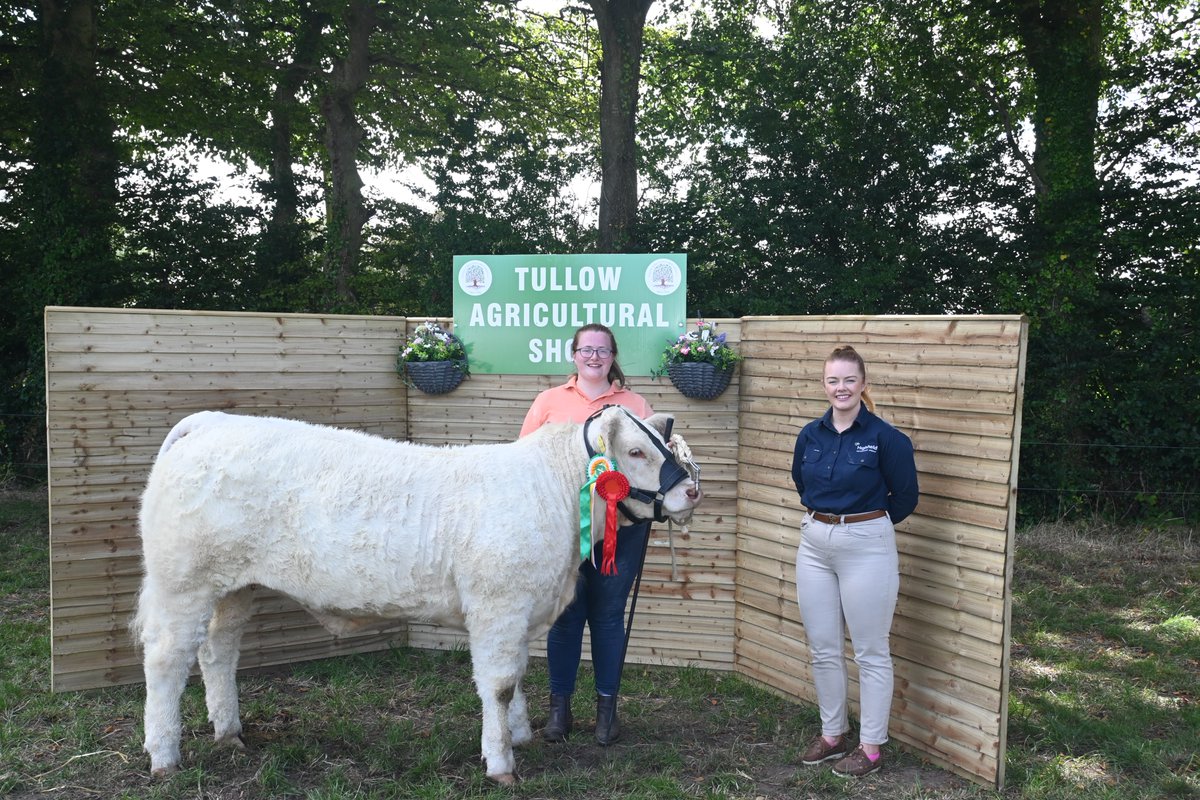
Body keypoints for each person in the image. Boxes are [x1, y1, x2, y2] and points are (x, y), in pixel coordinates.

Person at [519, 323, 654, 746]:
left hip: (622, 529)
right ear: (574, 355)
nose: (594, 357)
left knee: (608, 617)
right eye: (586, 350)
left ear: (613, 356)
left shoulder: (635, 404)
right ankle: (559, 710)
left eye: (602, 350)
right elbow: (525, 463)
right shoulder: (548, 402)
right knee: (565, 616)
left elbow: (650, 466)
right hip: (564, 533)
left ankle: (607, 712)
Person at [790, 345, 918, 778]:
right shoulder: (810, 435)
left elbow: (905, 498)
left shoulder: (887, 439)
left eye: (849, 380)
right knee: (824, 647)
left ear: (864, 384)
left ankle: (871, 746)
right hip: (814, 544)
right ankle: (833, 735)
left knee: (870, 651)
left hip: (867, 544)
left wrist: (864, 526)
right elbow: (799, 482)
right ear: (823, 385)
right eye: (833, 380)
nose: (840, 388)